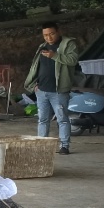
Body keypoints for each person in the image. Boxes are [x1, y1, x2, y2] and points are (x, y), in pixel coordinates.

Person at [23, 23, 78, 154]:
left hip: (59, 91)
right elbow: (36, 66)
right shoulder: (42, 46)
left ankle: (64, 146)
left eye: (51, 34)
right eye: (45, 35)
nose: (49, 37)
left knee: (62, 119)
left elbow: (73, 60)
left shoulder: (68, 44)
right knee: (42, 119)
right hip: (41, 90)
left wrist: (55, 55)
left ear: (58, 31)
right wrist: (35, 84)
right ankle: (42, 146)